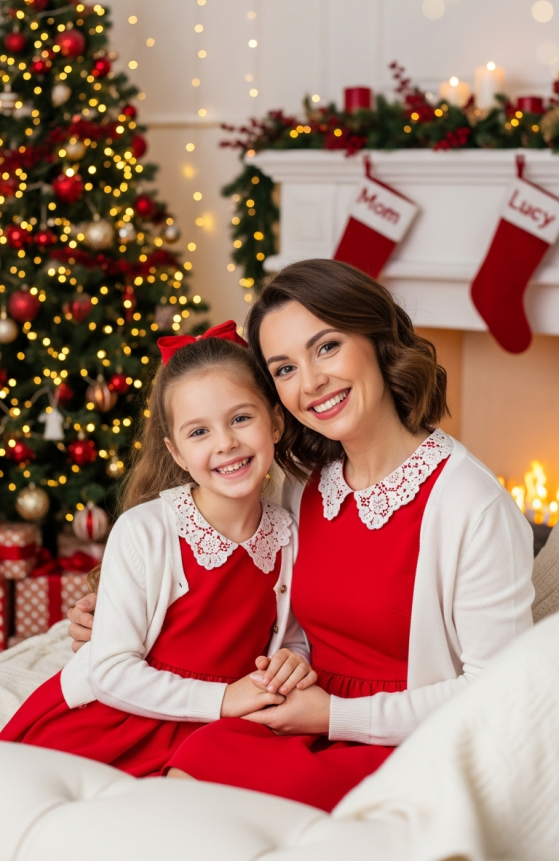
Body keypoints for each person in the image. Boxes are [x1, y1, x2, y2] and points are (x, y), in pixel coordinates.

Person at [66, 261, 534, 809]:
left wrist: (335, 715)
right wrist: (124, 616)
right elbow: (259, 603)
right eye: (284, 369)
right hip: (295, 714)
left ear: (377, 339)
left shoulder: (471, 505)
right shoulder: (301, 484)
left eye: (327, 347)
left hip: (403, 739)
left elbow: (497, 694)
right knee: (188, 773)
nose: (311, 383)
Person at [0, 322, 316, 776]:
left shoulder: (289, 532)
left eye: (241, 418)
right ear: (177, 453)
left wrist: (293, 661)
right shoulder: (146, 529)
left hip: (225, 722)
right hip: (127, 713)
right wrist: (222, 699)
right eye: (198, 432)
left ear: (276, 423)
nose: (226, 442)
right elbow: (111, 671)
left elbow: (288, 633)